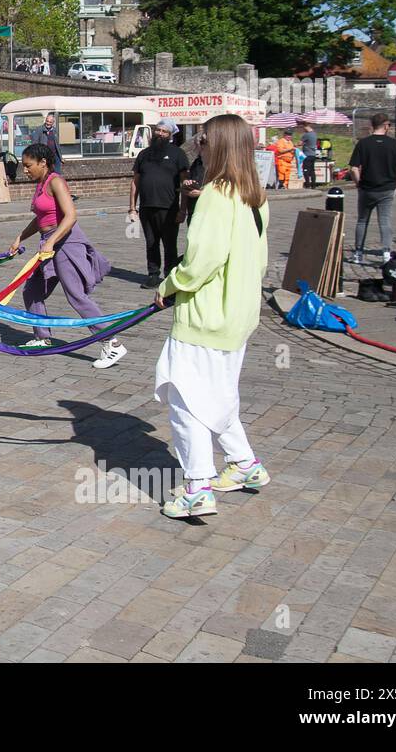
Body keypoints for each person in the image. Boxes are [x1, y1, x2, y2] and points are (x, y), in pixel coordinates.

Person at [153, 113, 270, 519]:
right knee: (217, 396)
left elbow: (200, 261)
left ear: (216, 145)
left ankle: (196, 487)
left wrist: (167, 286)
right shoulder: (254, 195)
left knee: (183, 398)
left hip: (206, 318)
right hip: (236, 315)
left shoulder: (216, 196)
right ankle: (244, 464)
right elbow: (260, 260)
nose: (197, 147)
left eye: (202, 140)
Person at [8, 143, 124, 367]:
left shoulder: (56, 182)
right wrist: (20, 237)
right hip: (49, 244)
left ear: (43, 162)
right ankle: (42, 337)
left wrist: (51, 240)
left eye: (28, 165)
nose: (25, 170)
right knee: (32, 291)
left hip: (66, 243)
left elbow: (70, 216)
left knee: (76, 295)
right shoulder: (41, 184)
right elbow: (42, 219)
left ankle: (112, 343)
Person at [129, 117, 189, 288]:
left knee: (170, 244)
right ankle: (153, 274)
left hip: (169, 207)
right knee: (151, 243)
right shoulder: (144, 155)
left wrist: (182, 210)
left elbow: (185, 183)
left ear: (170, 135)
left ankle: (170, 276)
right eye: (158, 130)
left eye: (164, 131)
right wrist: (132, 208)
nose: (160, 133)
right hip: (147, 207)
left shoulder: (178, 154)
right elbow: (135, 181)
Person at [348, 112, 396, 264]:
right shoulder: (394, 144)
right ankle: (386, 253)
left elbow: (354, 168)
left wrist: (358, 183)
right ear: (386, 125)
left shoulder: (363, 143)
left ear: (372, 126)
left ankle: (358, 253)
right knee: (385, 221)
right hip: (387, 188)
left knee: (362, 221)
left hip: (367, 188)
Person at [182, 129, 208, 224]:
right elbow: (187, 181)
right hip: (194, 211)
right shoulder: (196, 162)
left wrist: (202, 193)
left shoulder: (220, 164)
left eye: (202, 143)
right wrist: (187, 184)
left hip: (209, 213)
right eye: (198, 144)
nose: (199, 146)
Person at [298, 121, 319, 188]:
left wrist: (298, 143)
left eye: (302, 128)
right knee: (312, 170)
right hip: (313, 155)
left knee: (305, 170)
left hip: (307, 155)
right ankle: (313, 185)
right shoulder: (314, 134)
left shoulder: (306, 135)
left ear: (305, 127)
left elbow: (299, 143)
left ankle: (307, 184)